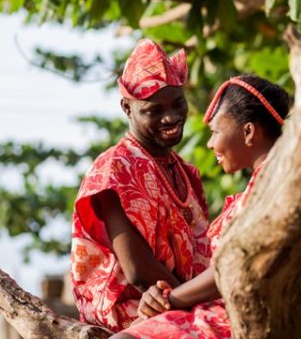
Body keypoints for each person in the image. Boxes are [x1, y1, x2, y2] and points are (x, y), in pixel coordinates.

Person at [112, 75, 301, 339]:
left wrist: (171, 299)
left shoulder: (280, 187)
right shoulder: (276, 183)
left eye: (216, 132)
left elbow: (239, 268)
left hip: (257, 319)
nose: (209, 143)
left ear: (248, 131)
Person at [70, 39, 211, 332]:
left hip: (179, 303)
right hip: (137, 312)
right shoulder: (115, 168)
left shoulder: (185, 171)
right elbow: (137, 271)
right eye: (153, 110)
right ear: (127, 108)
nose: (171, 117)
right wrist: (198, 305)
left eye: (177, 103)